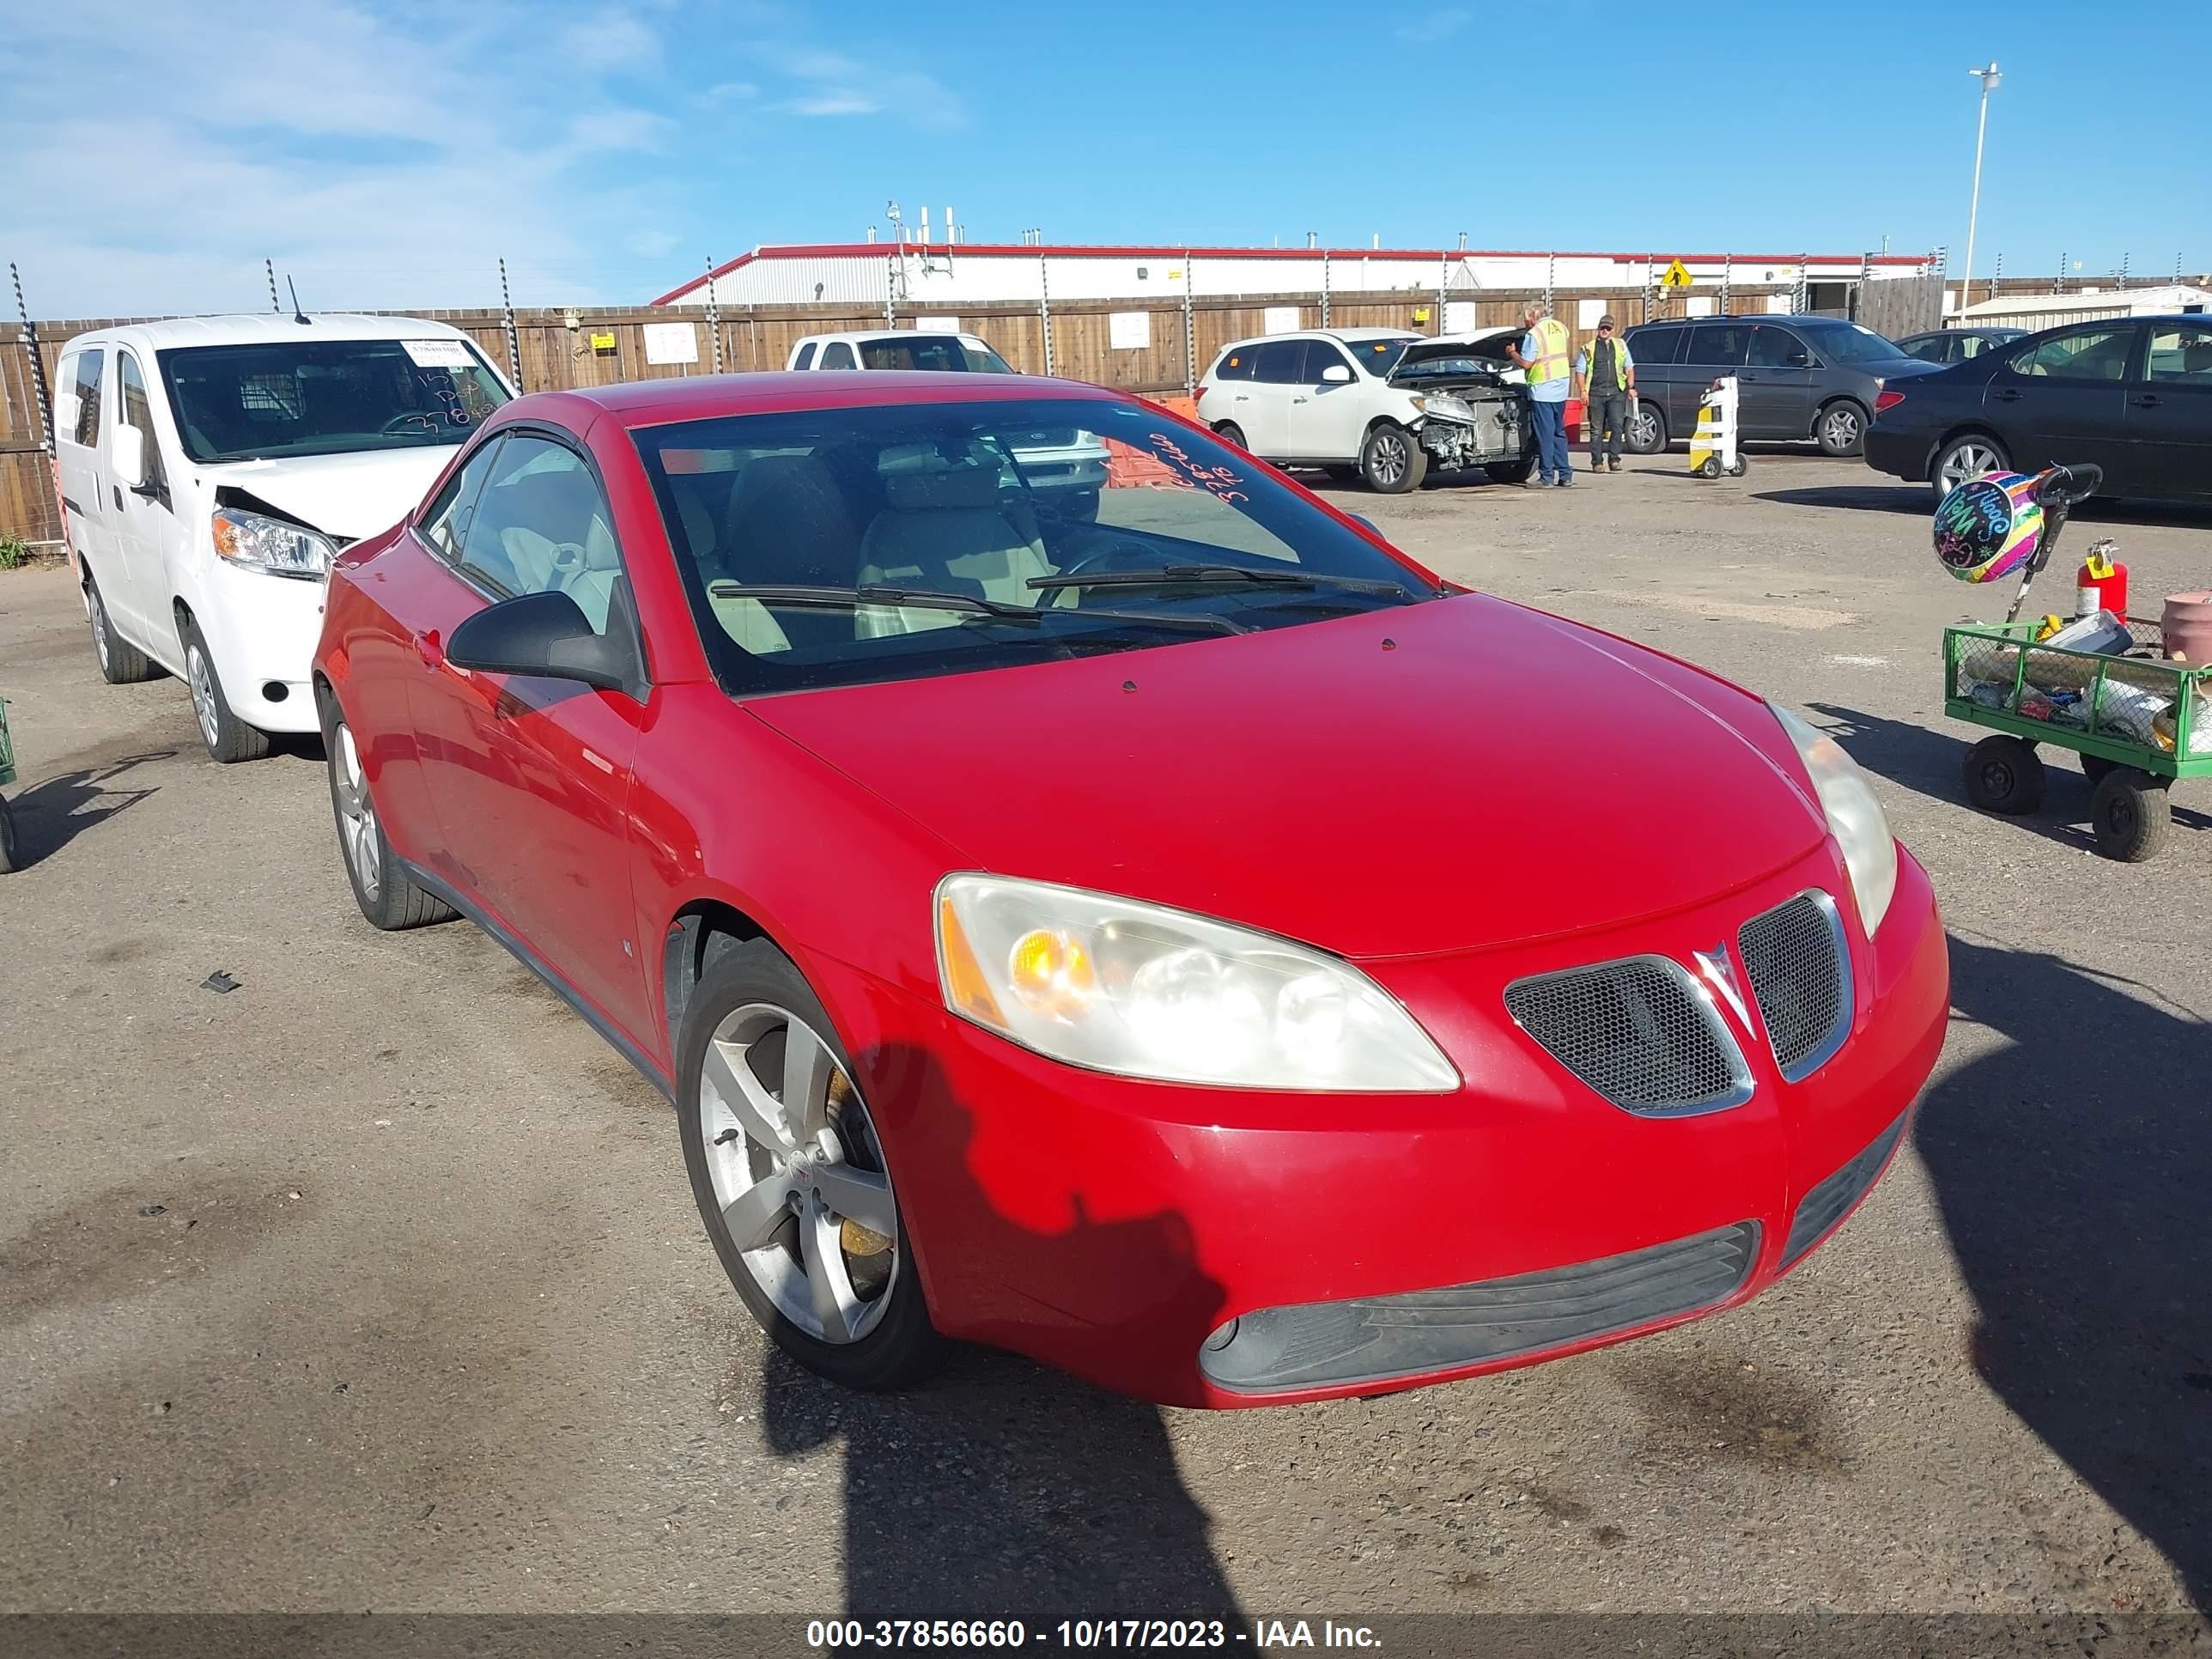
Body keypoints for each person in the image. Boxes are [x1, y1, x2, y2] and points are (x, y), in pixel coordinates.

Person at [1505, 300, 1573, 487]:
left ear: (1534, 317)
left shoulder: (1534, 334)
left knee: (1545, 434)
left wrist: (1512, 353)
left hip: (1543, 388)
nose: (1525, 324)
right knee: (1558, 431)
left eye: (1527, 320)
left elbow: (1526, 363)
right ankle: (1566, 474)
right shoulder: (1561, 327)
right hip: (1561, 386)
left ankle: (1546, 476)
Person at [1574, 315, 1638, 473]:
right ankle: (1597, 462)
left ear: (1612, 330)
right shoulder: (1588, 348)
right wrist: (1583, 391)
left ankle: (1614, 459)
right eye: (1602, 328)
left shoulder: (1621, 345)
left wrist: (1631, 387)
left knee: (1617, 426)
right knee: (1596, 430)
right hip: (1595, 393)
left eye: (1608, 328)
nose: (1605, 331)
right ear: (1598, 328)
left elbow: (1629, 367)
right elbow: (1580, 371)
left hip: (1616, 392)